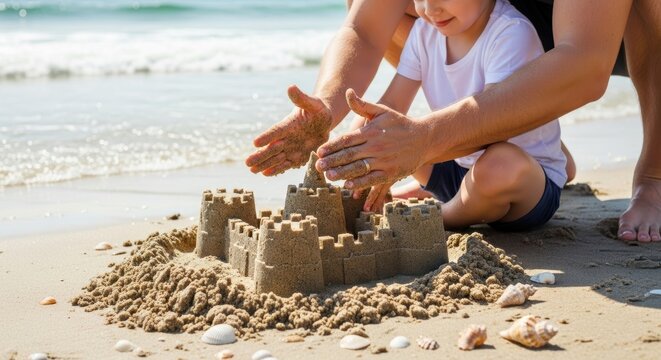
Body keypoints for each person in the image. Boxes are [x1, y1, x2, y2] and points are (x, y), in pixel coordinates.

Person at [245, 0, 661, 242]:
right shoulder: (433, 18)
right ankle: (532, 132)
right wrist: (329, 109)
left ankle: (655, 178)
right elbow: (367, 30)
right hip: (474, 20)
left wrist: (426, 139)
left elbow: (585, 62)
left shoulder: (507, 30)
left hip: (606, 29)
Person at [345, 0, 567, 230]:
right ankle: (448, 196)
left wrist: (410, 152)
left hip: (517, 187)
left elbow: (491, 131)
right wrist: (357, 149)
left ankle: (443, 215)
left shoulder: (511, 33)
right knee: (384, 131)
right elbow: (391, 104)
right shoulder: (424, 32)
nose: (430, 9)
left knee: (500, 162)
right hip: (457, 171)